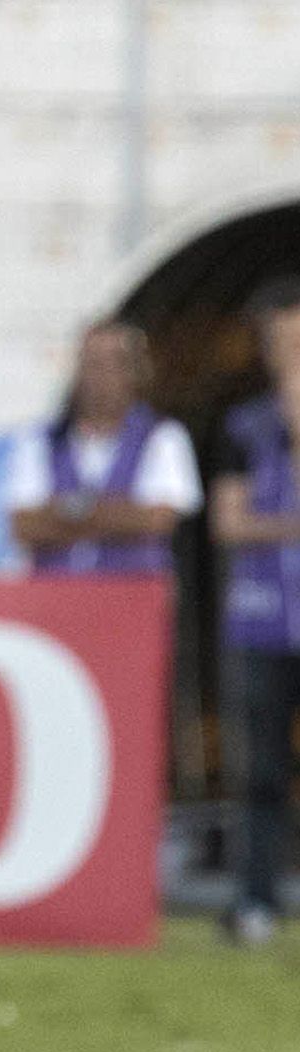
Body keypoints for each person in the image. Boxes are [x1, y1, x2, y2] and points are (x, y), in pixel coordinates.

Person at [210, 276, 300, 948]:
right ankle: (255, 898)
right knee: (261, 769)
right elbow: (228, 523)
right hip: (264, 617)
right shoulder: (244, 427)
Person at [7, 321, 199, 573]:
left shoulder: (163, 436)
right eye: (93, 364)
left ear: (135, 371)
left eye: (114, 364)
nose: (102, 377)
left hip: (132, 595)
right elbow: (24, 525)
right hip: (56, 597)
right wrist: (118, 516)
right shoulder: (40, 439)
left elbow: (158, 519)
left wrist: (68, 513)